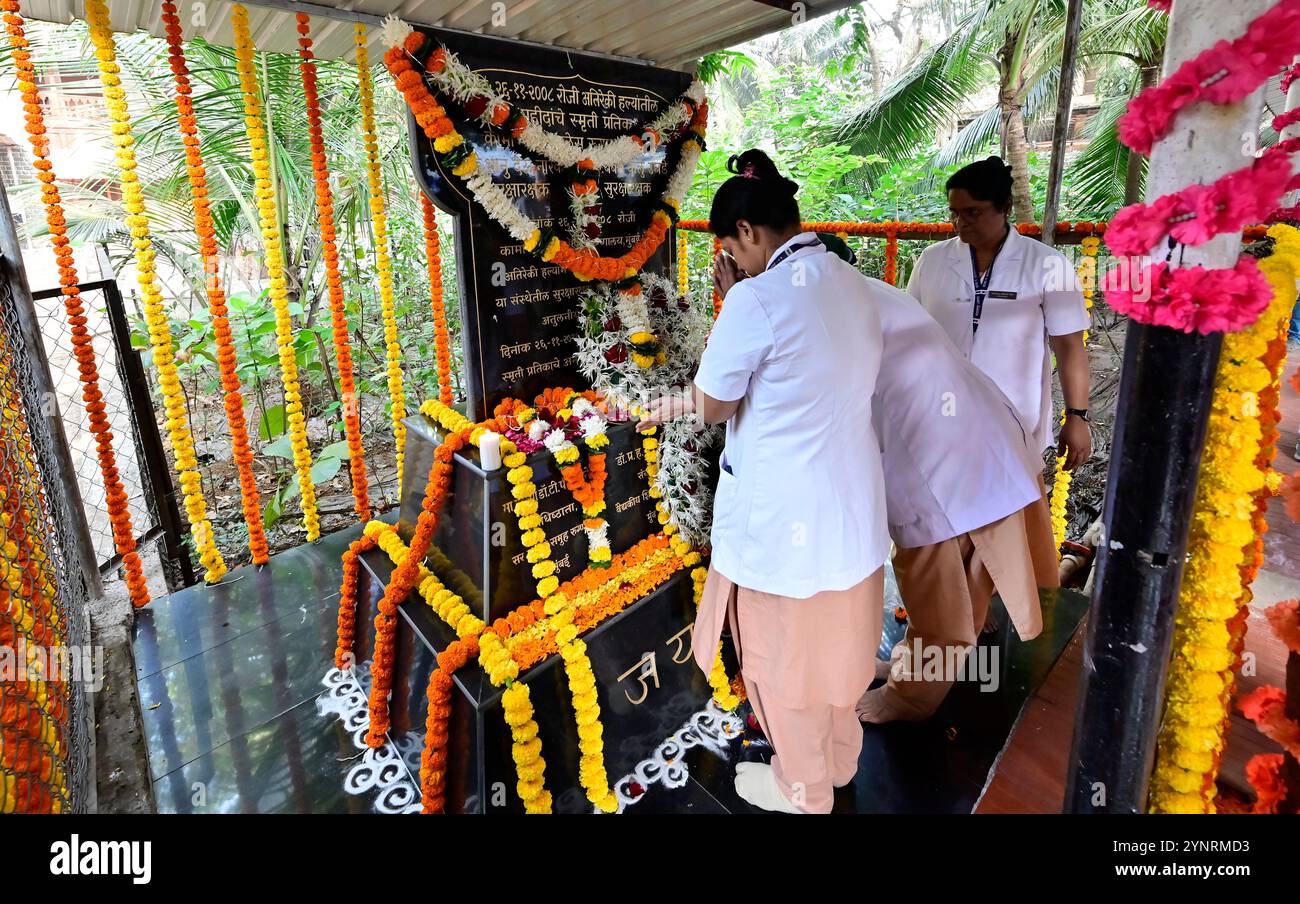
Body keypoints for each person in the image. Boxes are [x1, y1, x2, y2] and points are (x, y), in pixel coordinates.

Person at [638, 149, 891, 814]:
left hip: (785, 525)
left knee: (781, 665)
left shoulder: (755, 297)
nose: (731, 262)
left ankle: (803, 790)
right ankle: (838, 765)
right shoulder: (849, 278)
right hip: (854, 514)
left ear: (746, 234)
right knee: (840, 653)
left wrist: (731, 302)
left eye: (729, 248)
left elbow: (716, 403)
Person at [856, 278, 1060, 723]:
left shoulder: (819, 305)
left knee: (941, 594)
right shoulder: (863, 291)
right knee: (957, 582)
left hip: (946, 465)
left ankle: (909, 698)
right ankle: (912, 669)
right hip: (972, 444)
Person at [907, 156, 1092, 472]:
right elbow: (911, 330)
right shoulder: (933, 259)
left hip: (1013, 413)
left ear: (1005, 207)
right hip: (938, 410)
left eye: (973, 212)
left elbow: (1070, 346)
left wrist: (1077, 416)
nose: (960, 222)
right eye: (955, 213)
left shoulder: (1048, 264)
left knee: (1006, 513)